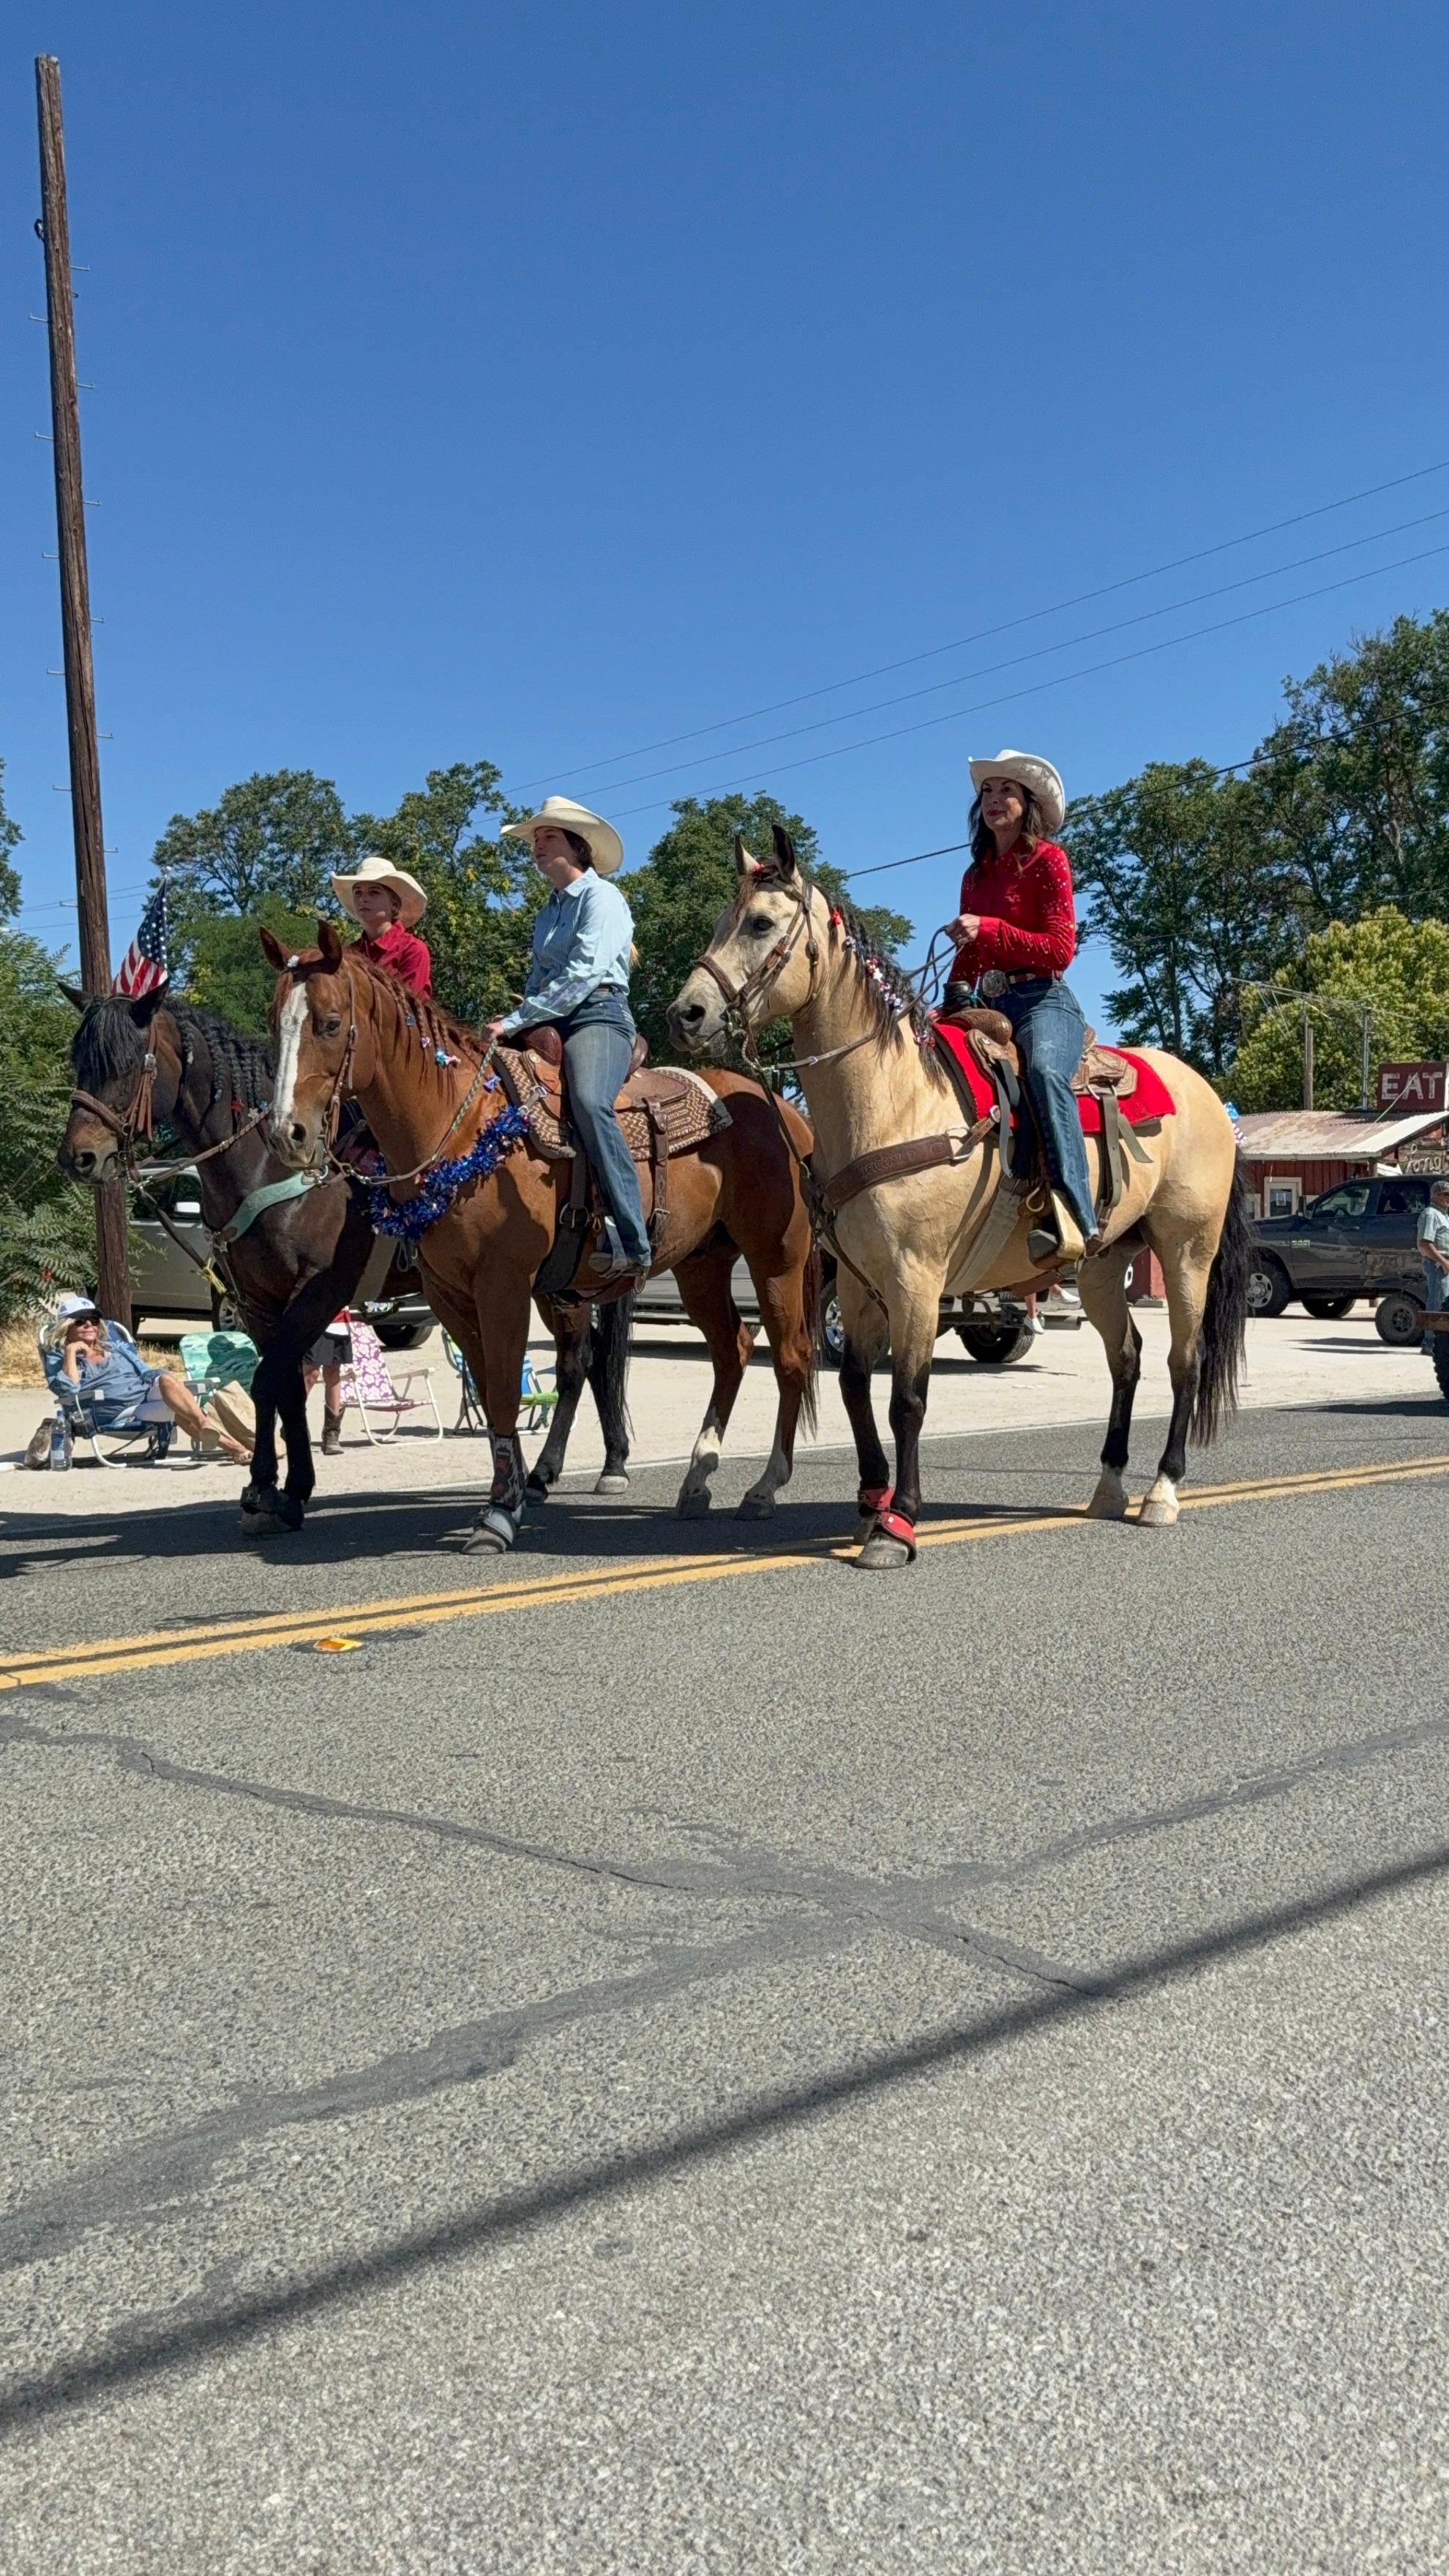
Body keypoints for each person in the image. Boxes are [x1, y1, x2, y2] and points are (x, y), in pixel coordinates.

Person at [484, 795, 651, 1284]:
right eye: (535, 839)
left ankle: (632, 1235)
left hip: (599, 1013)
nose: (537, 845)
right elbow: (539, 980)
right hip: (548, 1018)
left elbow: (584, 975)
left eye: (547, 836)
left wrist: (518, 1018)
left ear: (577, 846)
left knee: (588, 1098)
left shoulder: (604, 899)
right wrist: (514, 1022)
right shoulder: (547, 913)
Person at [941, 749, 1100, 1264]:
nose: (993, 799)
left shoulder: (1049, 860)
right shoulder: (975, 876)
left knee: (1046, 1074)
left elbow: (1060, 949)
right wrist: (948, 1002)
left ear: (1028, 802)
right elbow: (969, 958)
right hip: (988, 1002)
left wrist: (988, 928)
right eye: (987, 791)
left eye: (1006, 789)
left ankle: (1075, 1213)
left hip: (1042, 999)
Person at [40, 1295, 252, 1462]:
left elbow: (145, 1372)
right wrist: (70, 1351)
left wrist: (170, 1386)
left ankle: (219, 1436)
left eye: (94, 1320)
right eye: (80, 1322)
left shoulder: (115, 1348)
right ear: (66, 1328)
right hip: (111, 1411)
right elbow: (68, 1391)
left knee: (165, 1380)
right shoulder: (57, 1356)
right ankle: (232, 1445)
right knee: (178, 1410)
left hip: (143, 1399)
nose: (89, 1325)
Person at [330, 855, 433, 995]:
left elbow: (413, 1011)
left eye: (374, 892)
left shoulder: (412, 950)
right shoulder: (349, 953)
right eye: (358, 892)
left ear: (394, 905)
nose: (363, 898)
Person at [1418, 1178, 1449, 1350]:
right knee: (1438, 1303)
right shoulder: (1431, 1214)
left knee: (1445, 1305)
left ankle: (1441, 1343)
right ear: (1435, 1196)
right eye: (1446, 1195)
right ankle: (1430, 1343)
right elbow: (1425, 1243)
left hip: (1445, 1265)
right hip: (1437, 1265)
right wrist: (1443, 1262)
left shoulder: (1445, 1214)